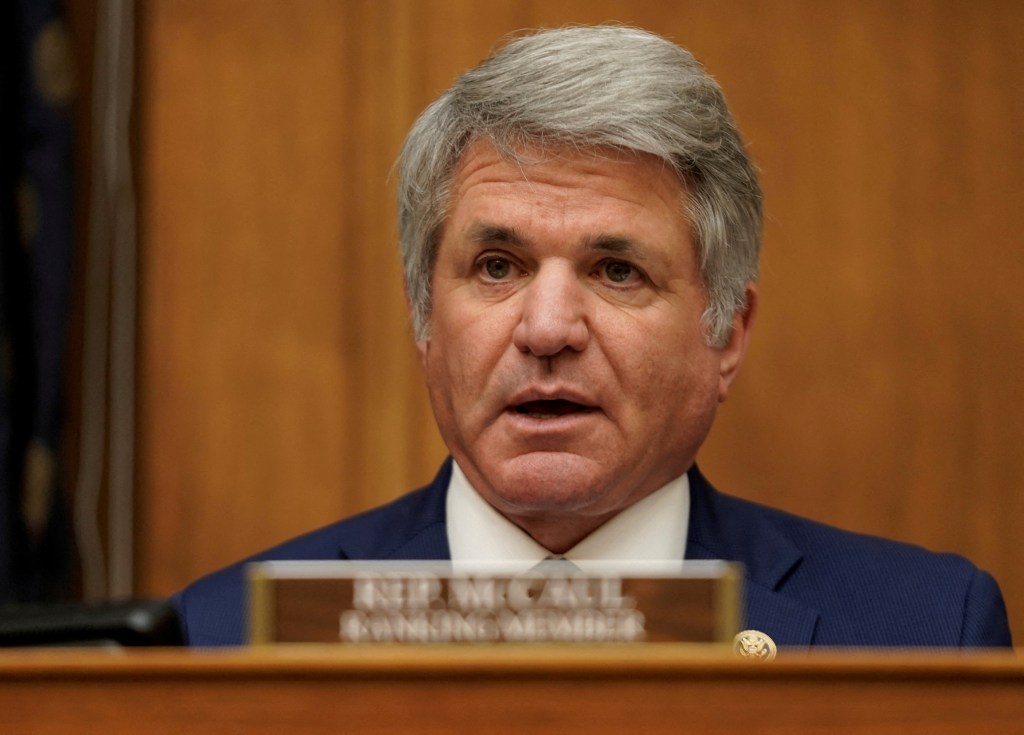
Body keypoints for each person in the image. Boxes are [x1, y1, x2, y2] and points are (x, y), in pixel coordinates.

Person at [174, 25, 1012, 648]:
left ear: (727, 333)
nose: (546, 329)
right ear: (424, 317)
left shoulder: (925, 631)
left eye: (617, 271)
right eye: (497, 266)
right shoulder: (222, 638)